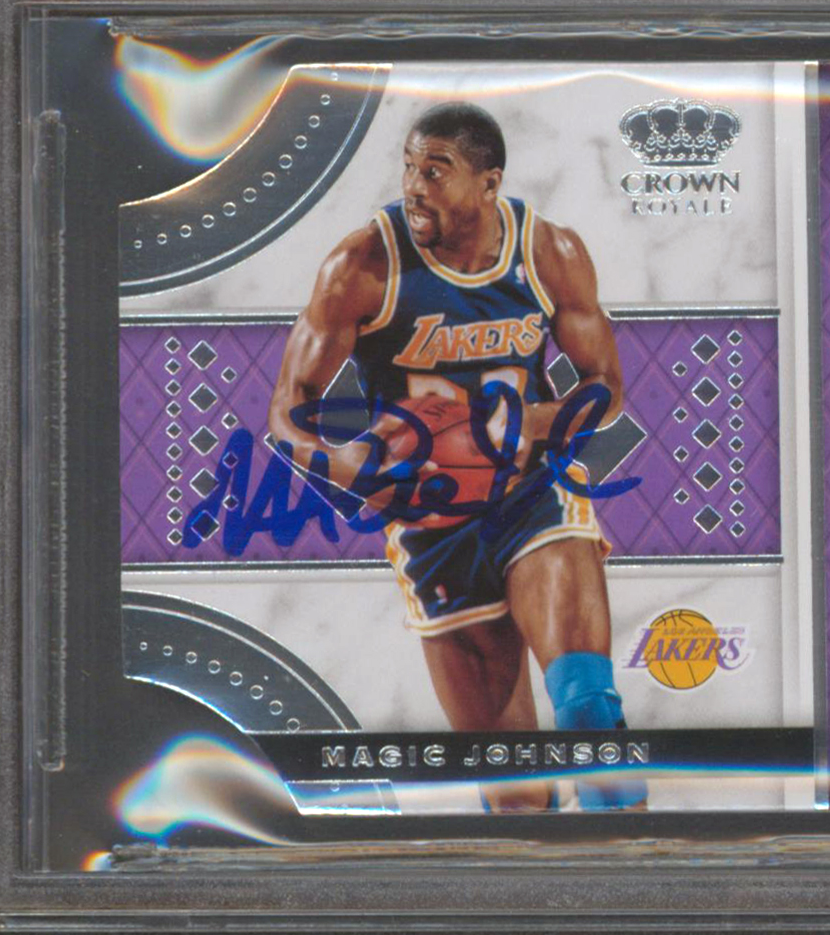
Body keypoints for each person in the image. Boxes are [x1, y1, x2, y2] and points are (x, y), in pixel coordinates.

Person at [267, 102, 643, 812]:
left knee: (589, 708)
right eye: (409, 167)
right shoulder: (362, 264)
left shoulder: (549, 253)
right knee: (515, 792)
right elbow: (289, 413)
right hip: (431, 521)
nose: (413, 186)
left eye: (435, 172)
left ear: (488, 182)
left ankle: (631, 867)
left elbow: (605, 388)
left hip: (532, 493)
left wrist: (524, 423)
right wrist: (352, 472)